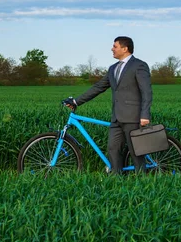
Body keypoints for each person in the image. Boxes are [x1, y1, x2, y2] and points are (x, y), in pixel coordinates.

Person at [64, 36, 152, 173]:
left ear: (125, 48)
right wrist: (76, 101)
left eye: (115, 46)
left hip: (133, 117)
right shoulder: (112, 69)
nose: (112, 49)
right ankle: (117, 180)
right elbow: (98, 87)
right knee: (113, 149)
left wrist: (145, 114)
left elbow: (146, 92)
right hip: (116, 118)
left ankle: (143, 184)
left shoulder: (139, 66)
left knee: (136, 153)